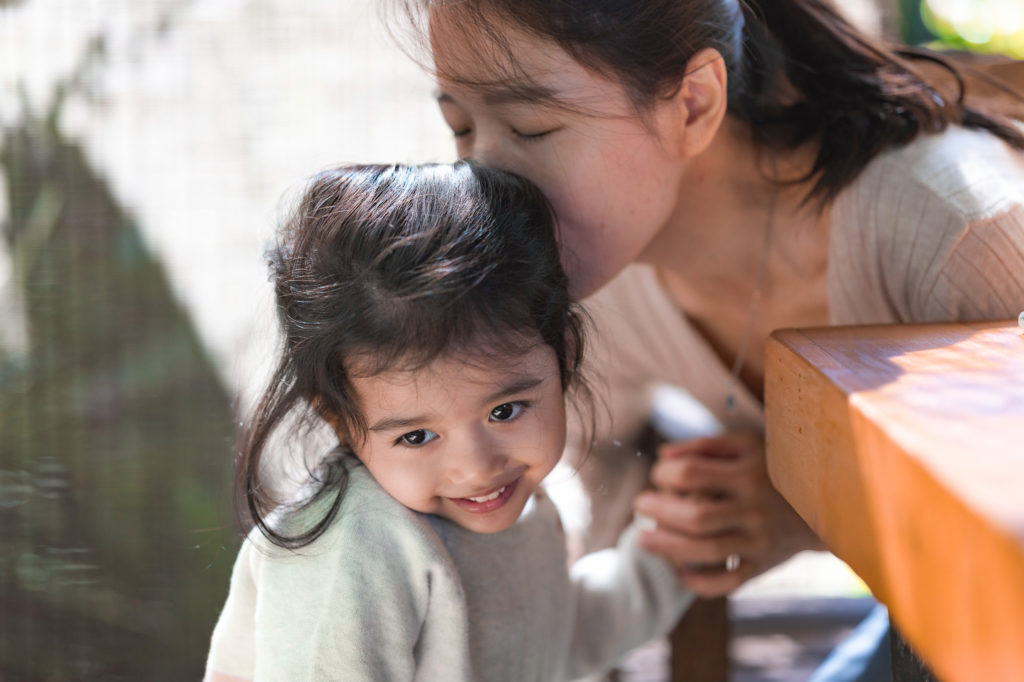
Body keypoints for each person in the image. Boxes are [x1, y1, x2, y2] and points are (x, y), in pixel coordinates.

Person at [393, 0, 1024, 677]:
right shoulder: (597, 270)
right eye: (459, 127)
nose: (485, 178)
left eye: (532, 127)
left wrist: (802, 511)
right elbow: (582, 488)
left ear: (693, 104)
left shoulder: (958, 231)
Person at [203, 161, 694, 682]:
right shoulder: (351, 551)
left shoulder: (517, 509)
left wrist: (670, 548)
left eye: (504, 412)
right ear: (341, 419)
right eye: (417, 437)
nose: (476, 467)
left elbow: (554, 645)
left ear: (564, 356)